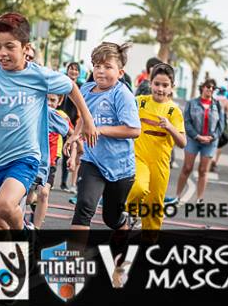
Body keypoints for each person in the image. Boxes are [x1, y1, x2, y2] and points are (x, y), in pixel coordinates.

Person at [0, 12, 97, 231]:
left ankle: (25, 231)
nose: (2, 53)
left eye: (10, 47)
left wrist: (88, 120)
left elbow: (72, 87)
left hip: (24, 157)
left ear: (26, 48)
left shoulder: (39, 76)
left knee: (5, 205)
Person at [69, 42, 141, 231]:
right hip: (92, 160)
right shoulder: (86, 90)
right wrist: (75, 136)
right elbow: (84, 118)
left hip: (120, 167)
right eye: (97, 66)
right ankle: (75, 250)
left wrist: (99, 130)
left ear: (120, 73)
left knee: (112, 218)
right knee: (84, 207)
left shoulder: (122, 95)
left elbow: (134, 130)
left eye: (108, 67)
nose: (101, 71)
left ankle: (124, 226)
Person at [125, 62, 186, 231]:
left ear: (172, 87)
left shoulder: (174, 111)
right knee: (138, 188)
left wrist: (170, 127)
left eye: (165, 85)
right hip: (138, 158)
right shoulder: (139, 102)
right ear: (150, 83)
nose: (160, 89)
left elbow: (182, 143)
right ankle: (130, 213)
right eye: (157, 84)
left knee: (154, 207)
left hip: (160, 164)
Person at [28, 93, 73, 228]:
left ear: (60, 101)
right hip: (32, 159)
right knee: (28, 198)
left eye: (53, 100)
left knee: (44, 192)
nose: (49, 103)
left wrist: (73, 156)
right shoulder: (35, 111)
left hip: (50, 161)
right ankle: (33, 201)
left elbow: (73, 135)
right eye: (46, 99)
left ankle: (36, 229)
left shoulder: (61, 116)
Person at [175, 79, 224, 202]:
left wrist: (212, 137)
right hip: (193, 139)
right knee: (187, 167)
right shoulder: (192, 103)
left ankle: (199, 199)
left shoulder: (218, 105)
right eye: (208, 86)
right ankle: (177, 196)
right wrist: (197, 136)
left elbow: (221, 125)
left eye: (213, 88)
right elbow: (186, 122)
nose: (210, 89)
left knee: (203, 170)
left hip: (210, 142)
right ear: (202, 87)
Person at [60, 61, 83, 191]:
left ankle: (65, 182)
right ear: (67, 70)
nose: (73, 71)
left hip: (73, 124)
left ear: (79, 73)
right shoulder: (61, 83)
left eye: (76, 70)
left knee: (68, 152)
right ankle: (49, 179)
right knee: (55, 150)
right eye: (71, 69)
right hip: (59, 120)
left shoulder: (80, 87)